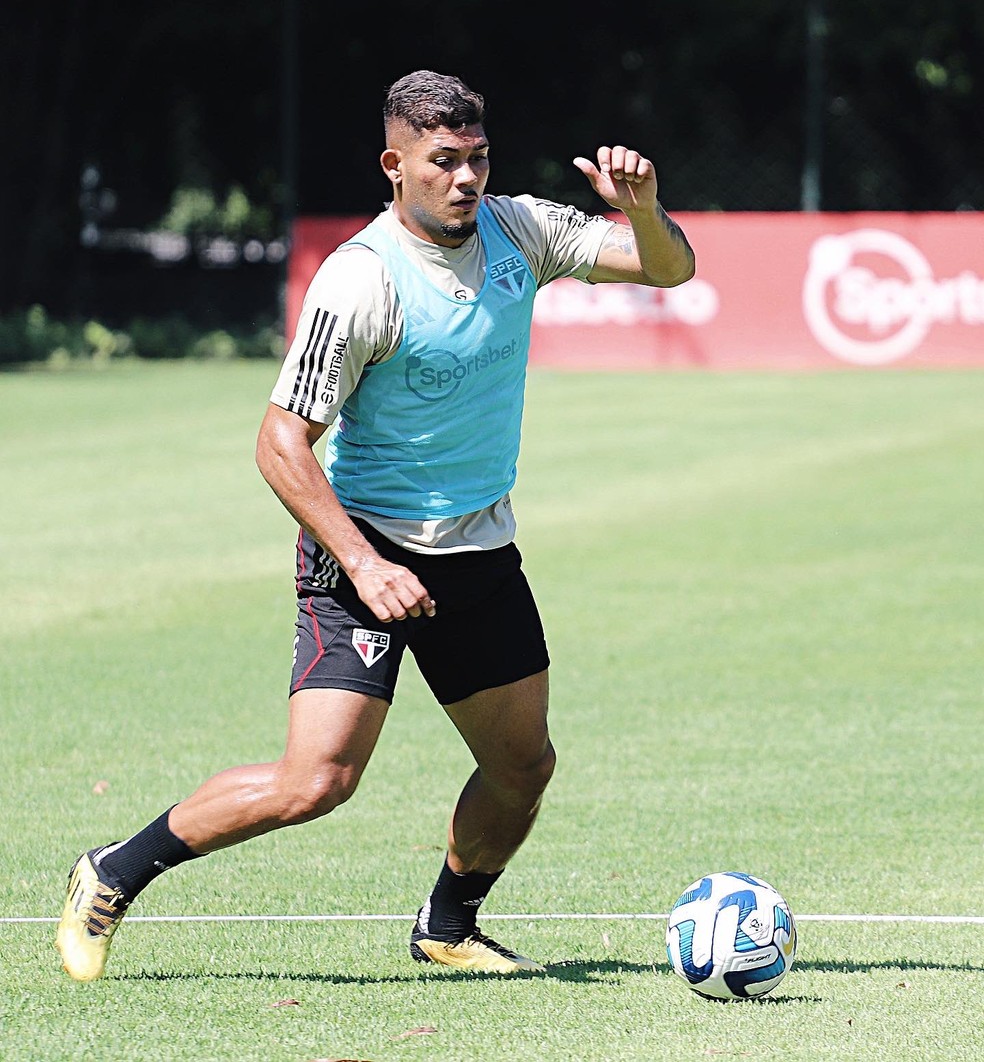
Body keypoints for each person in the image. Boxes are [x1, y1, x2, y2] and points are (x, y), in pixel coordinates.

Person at [56, 69, 694, 980]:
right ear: (396, 165)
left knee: (523, 768)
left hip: (477, 552)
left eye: (477, 157)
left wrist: (644, 208)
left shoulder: (521, 230)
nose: (467, 178)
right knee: (316, 782)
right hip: (364, 551)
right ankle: (110, 873)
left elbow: (671, 268)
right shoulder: (360, 280)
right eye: (444, 162)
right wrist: (362, 562)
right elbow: (282, 442)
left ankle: (448, 925)